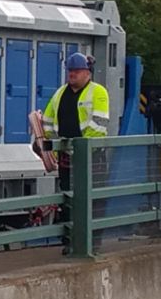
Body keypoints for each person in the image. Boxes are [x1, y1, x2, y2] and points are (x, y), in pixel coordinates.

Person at [42, 52, 110, 195]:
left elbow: (98, 125)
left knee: (93, 198)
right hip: (65, 154)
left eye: (77, 71)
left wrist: (81, 149)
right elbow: (47, 122)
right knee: (67, 195)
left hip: (91, 154)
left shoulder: (98, 92)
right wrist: (57, 147)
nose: (72, 74)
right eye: (70, 71)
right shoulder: (60, 93)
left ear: (87, 73)